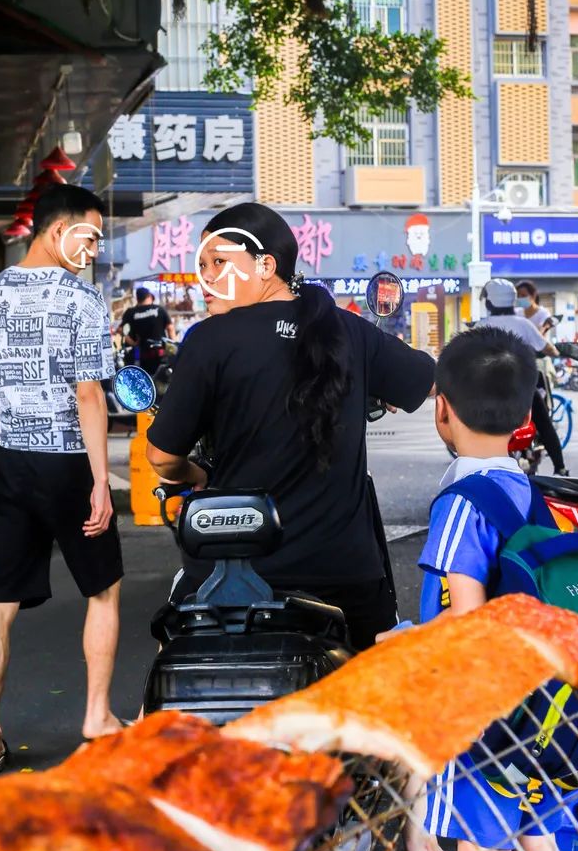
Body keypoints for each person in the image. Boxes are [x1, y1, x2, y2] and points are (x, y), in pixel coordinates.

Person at [144, 202, 436, 650]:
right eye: (202, 266)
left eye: (219, 262)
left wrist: (196, 474)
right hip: (346, 577)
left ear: (266, 266)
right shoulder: (349, 331)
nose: (206, 278)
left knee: (174, 665)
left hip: (235, 576)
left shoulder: (209, 340)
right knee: (377, 684)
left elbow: (163, 458)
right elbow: (432, 380)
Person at [0, 184, 124, 772]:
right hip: (67, 463)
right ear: (59, 231)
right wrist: (100, 481)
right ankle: (96, 715)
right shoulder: (82, 299)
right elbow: (89, 395)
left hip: (9, 464)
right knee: (103, 590)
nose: (93, 248)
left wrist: (5, 402)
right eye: (89, 235)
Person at [411, 327, 565, 851]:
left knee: (478, 845)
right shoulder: (531, 493)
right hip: (540, 703)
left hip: (479, 711)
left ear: (442, 409)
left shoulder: (461, 503)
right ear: (525, 414)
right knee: (535, 836)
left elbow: (468, 621)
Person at [481, 278, 568, 476]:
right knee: (544, 424)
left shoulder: (481, 326)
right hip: (522, 387)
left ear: (490, 302)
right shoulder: (524, 324)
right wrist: (557, 352)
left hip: (489, 389)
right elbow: (548, 348)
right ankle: (560, 468)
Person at [122, 287, 176, 374]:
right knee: (162, 378)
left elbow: (121, 330)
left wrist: (133, 343)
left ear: (137, 299)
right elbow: (170, 328)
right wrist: (173, 348)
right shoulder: (159, 309)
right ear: (149, 296)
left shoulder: (131, 312)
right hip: (160, 353)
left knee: (145, 378)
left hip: (141, 355)